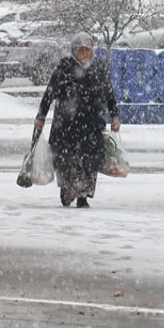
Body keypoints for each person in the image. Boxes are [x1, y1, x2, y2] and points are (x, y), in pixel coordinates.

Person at [32, 32, 121, 208]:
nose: (84, 54)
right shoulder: (64, 67)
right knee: (67, 160)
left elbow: (109, 93)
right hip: (66, 124)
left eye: (87, 50)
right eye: (80, 51)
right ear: (73, 50)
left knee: (89, 161)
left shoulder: (99, 68)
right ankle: (67, 189)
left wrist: (114, 115)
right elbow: (50, 93)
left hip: (92, 124)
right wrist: (40, 116)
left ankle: (83, 195)